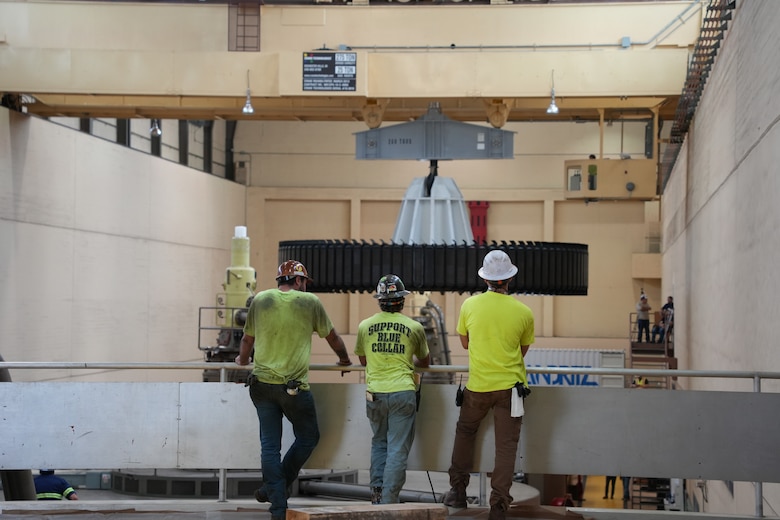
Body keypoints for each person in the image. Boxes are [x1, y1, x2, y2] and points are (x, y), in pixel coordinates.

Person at [235, 259, 353, 520]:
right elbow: (332, 336)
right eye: (304, 282)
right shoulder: (309, 302)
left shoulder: (261, 299)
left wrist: (242, 361)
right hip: (293, 388)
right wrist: (344, 360)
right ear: (298, 280)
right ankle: (272, 490)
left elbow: (247, 339)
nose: (305, 287)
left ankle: (276, 503)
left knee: (269, 447)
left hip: (261, 385)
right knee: (308, 436)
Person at [442, 250, 535, 520]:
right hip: (511, 390)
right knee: (506, 447)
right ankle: (498, 506)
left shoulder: (469, 306)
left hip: (478, 386)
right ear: (509, 279)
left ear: (485, 279)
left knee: (465, 432)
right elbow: (522, 350)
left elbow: (464, 342)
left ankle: (458, 492)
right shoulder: (524, 312)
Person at [354, 274, 431, 505]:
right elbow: (425, 362)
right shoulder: (414, 327)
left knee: (379, 442)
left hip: (375, 393)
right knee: (397, 449)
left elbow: (363, 361)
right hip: (403, 393)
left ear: (380, 300)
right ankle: (389, 500)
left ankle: (376, 494)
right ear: (402, 301)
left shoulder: (365, 326)